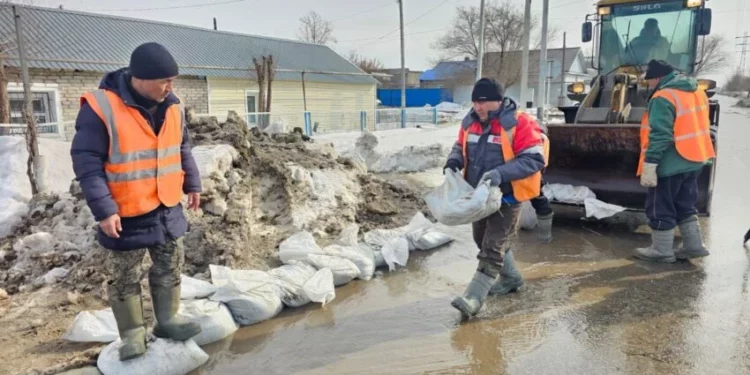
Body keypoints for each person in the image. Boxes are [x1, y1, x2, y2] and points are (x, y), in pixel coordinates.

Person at [71, 42, 203, 360]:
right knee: (125, 275)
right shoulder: (101, 107)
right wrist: (104, 210)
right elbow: (86, 159)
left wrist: (192, 183)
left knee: (170, 265)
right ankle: (132, 334)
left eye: (173, 80)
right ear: (139, 79)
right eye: (164, 81)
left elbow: (181, 148)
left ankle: (167, 320)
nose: (171, 87)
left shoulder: (173, 106)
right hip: (125, 210)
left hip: (166, 204)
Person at [444, 78, 547, 318]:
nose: (478, 107)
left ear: (498, 101)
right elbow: (460, 146)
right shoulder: (470, 122)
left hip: (508, 197)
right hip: (479, 198)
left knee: (492, 247)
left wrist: (500, 174)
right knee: (481, 239)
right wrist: (453, 161)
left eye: (483, 102)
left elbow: (534, 160)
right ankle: (512, 279)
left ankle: (473, 298)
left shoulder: (519, 123)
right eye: (475, 102)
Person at [635, 59, 715, 263]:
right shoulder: (697, 92)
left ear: (659, 77)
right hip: (695, 158)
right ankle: (694, 246)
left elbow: (660, 135)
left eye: (650, 81)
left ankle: (661, 251)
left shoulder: (663, 97)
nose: (649, 84)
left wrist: (650, 163)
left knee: (659, 205)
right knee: (684, 204)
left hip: (670, 162)